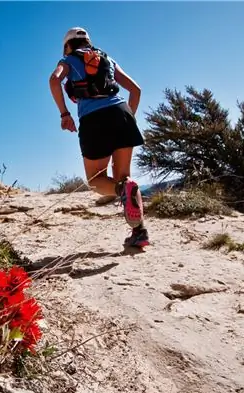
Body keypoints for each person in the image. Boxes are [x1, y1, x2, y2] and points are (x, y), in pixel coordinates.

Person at [48, 27, 149, 247]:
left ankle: (122, 192)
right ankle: (139, 232)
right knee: (125, 177)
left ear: (67, 46)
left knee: (96, 181)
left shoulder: (69, 60)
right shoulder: (107, 58)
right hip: (122, 112)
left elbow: (54, 80)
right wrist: (129, 118)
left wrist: (64, 114)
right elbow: (136, 90)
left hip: (94, 119)